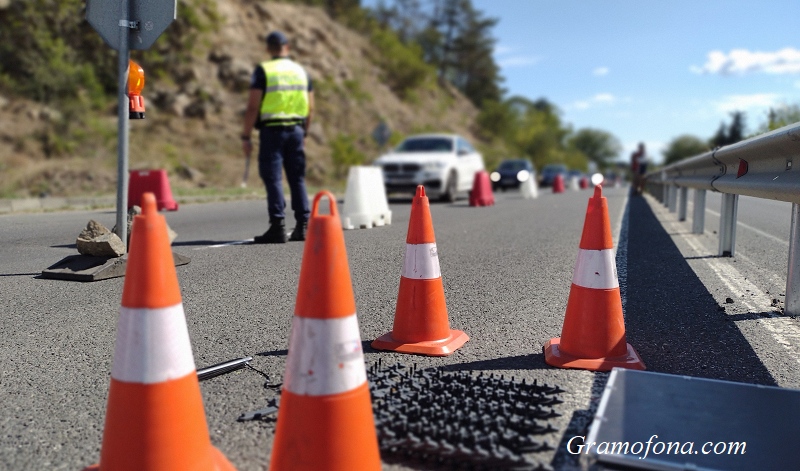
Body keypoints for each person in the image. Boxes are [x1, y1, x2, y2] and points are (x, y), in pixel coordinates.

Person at [241, 31, 314, 243]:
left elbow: (253, 106)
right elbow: (310, 108)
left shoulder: (264, 70)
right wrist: (305, 133)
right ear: (287, 47)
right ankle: (303, 226)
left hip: (272, 131)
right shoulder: (301, 72)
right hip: (297, 130)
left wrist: (246, 136)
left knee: (273, 178)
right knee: (296, 177)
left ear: (267, 49)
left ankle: (278, 226)